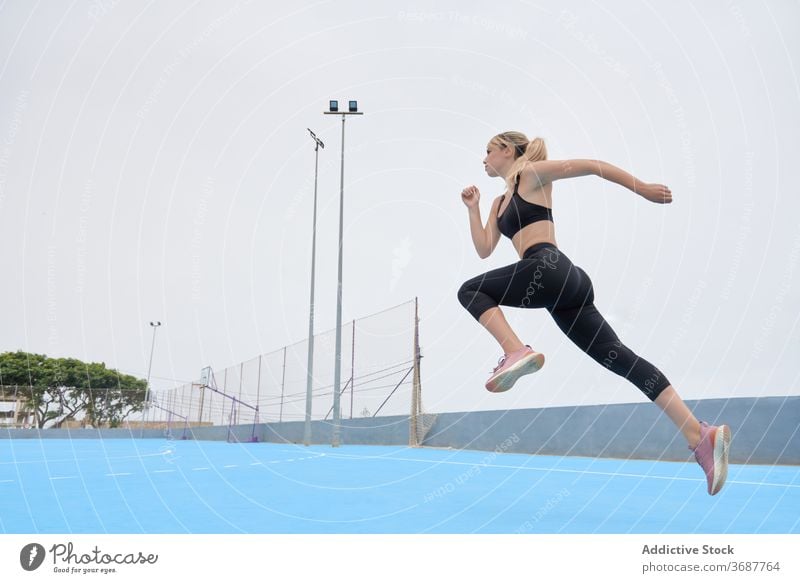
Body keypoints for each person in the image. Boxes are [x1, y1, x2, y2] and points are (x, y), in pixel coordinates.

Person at [457, 131, 731, 496]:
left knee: (470, 291)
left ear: (506, 150)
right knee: (622, 360)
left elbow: (592, 167)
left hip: (549, 266)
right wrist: (474, 210)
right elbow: (484, 249)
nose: (484, 158)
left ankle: (516, 350)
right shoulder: (497, 204)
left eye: (488, 151)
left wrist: (643, 188)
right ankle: (699, 434)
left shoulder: (532, 174)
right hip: (566, 289)